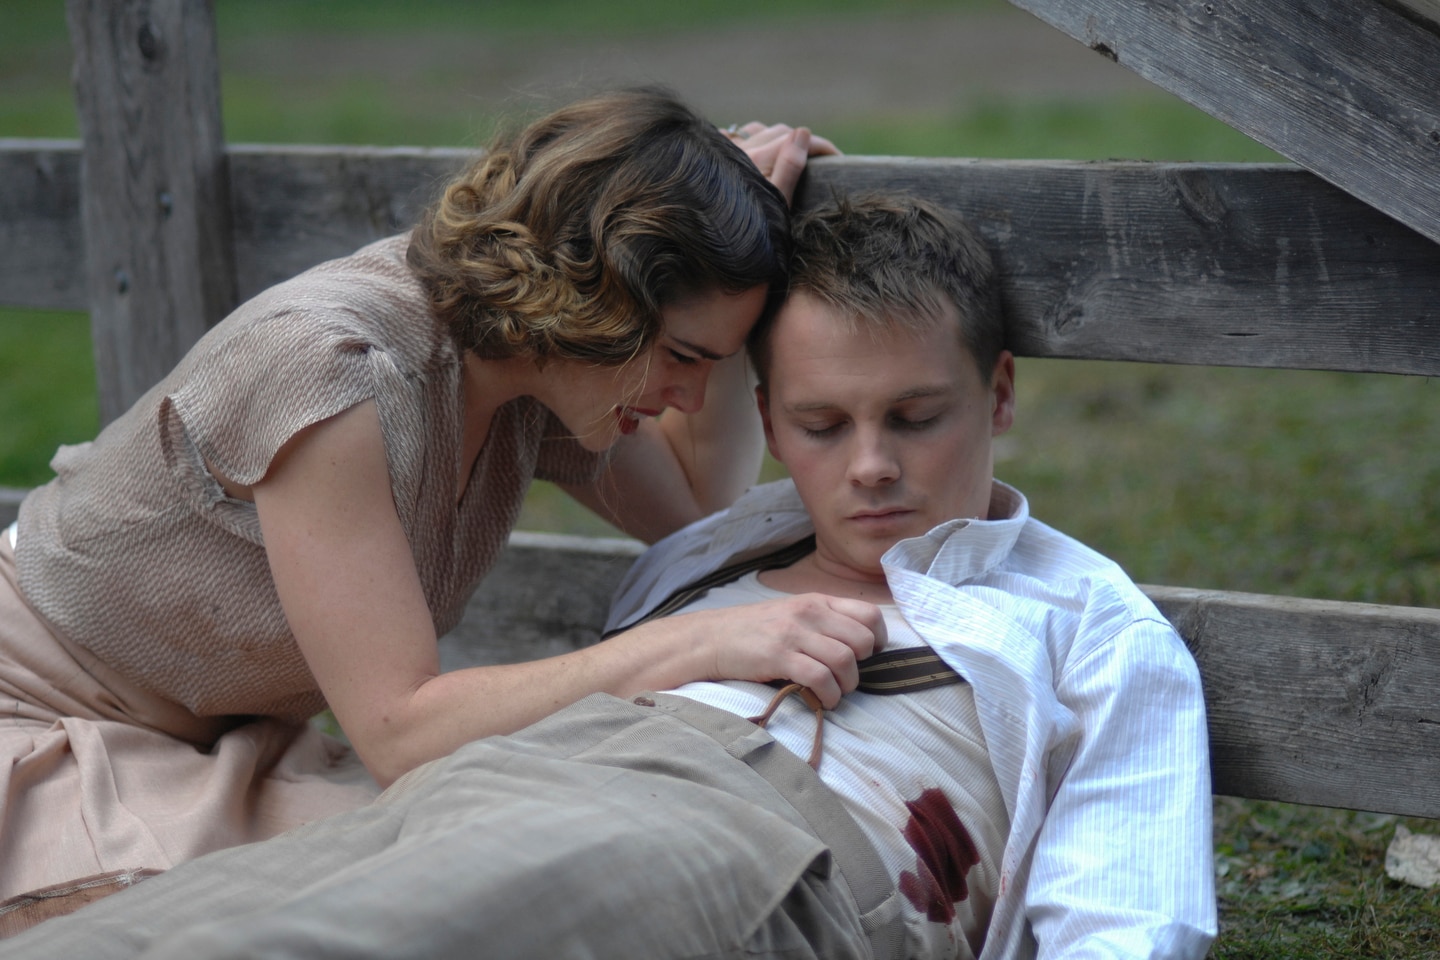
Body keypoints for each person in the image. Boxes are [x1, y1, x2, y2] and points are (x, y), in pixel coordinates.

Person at [1, 193, 1216, 959]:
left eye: (917, 417)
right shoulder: (703, 560)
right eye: (821, 425)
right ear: (771, 422)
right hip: (510, 784)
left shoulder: (1086, 620)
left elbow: (1127, 911)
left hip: (759, 837)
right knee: (163, 929)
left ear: (999, 395)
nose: (870, 469)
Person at [0, 87, 855, 935]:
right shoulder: (334, 370)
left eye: (717, 362)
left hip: (213, 751)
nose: (692, 396)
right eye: (681, 355)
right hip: (39, 737)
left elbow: (701, 505)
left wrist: (750, 252)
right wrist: (690, 642)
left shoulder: (533, 371)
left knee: (498, 873)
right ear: (599, 299)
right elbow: (400, 732)